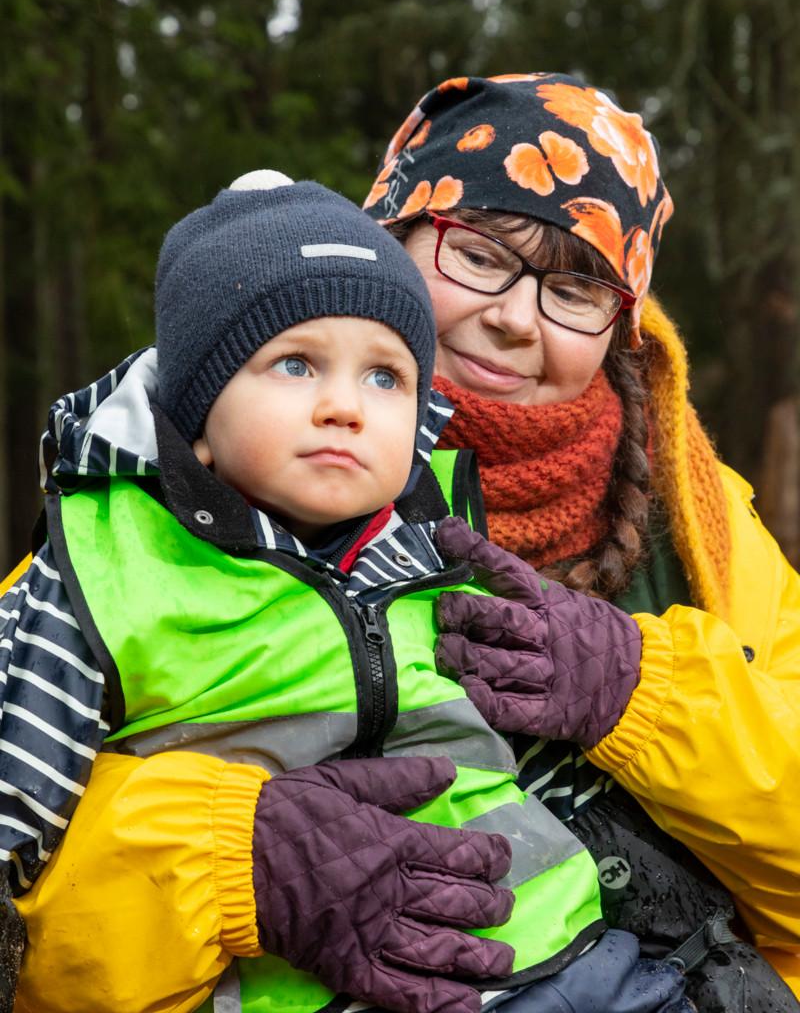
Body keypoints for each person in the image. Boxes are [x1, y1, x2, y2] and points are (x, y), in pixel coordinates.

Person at [2, 170, 692, 1013]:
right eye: (295, 364)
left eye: (384, 378)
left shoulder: (436, 546)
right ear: (196, 422)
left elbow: (545, 770)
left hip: (559, 953)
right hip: (327, 987)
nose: (344, 408)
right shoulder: (96, 577)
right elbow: (22, 832)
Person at [359, 71, 800, 1011]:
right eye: (477, 254)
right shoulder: (211, 460)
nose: (517, 317)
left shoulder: (694, 521)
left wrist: (639, 694)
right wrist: (248, 864)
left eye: (573, 286)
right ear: (387, 239)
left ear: (621, 324)